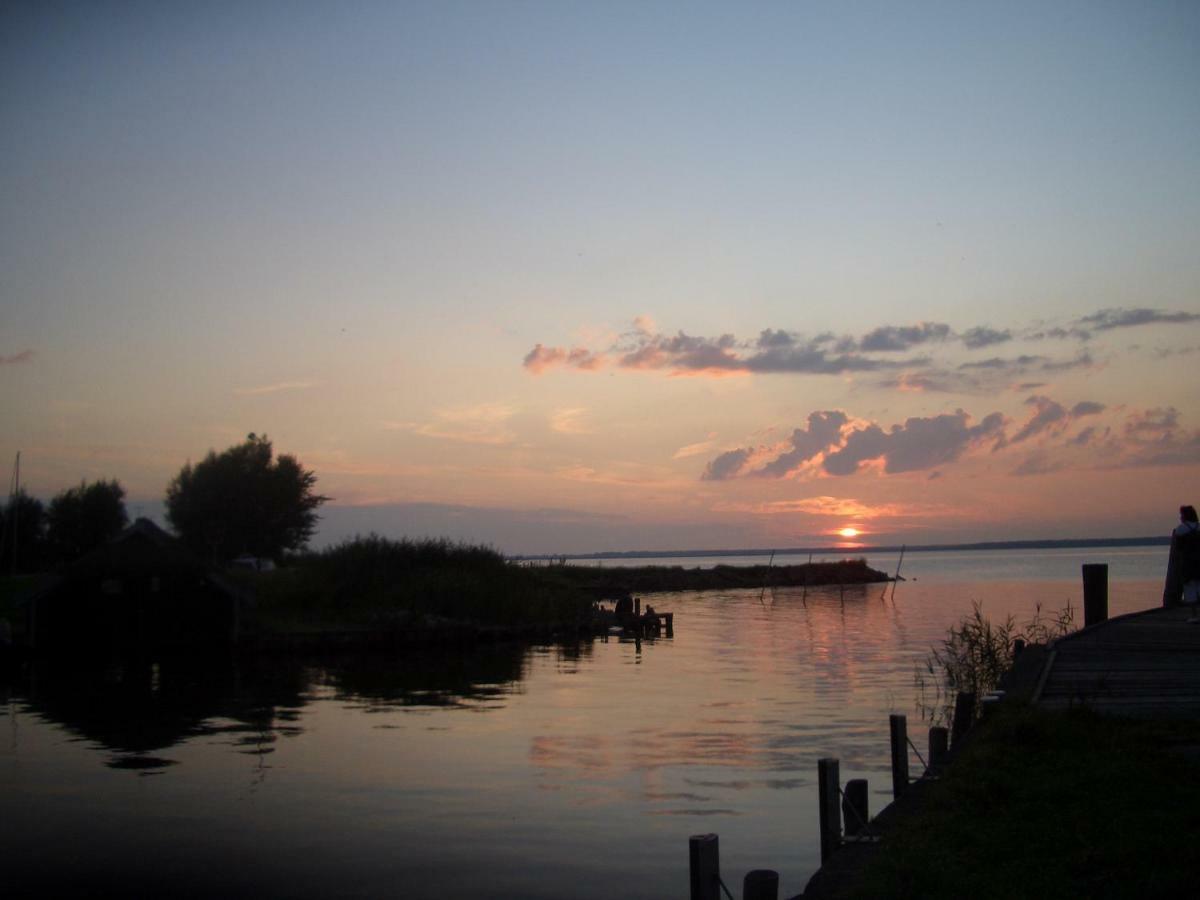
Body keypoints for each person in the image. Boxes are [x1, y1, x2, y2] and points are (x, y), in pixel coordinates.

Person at [1163, 505, 1200, 621]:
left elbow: (1179, 547)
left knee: (1190, 591)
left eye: (1181, 515)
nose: (1180, 517)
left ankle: (1195, 615)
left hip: (1188, 564)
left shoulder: (1181, 530)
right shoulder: (1199, 528)